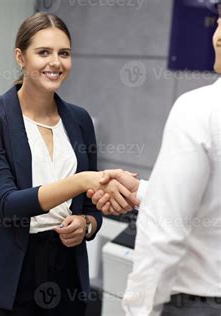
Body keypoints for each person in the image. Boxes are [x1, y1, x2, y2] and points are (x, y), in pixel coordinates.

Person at [0, 13, 137, 315]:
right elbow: (6, 204)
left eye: (64, 53)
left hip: (65, 272)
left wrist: (87, 225)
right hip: (5, 280)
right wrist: (83, 180)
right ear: (20, 57)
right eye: (43, 52)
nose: (55, 62)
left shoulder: (80, 120)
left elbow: (91, 208)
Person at [88, 4, 221, 314]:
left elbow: (164, 229)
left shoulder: (198, 109)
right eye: (219, 22)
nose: (218, 37)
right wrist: (144, 192)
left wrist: (138, 309)